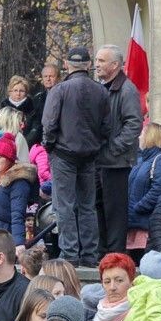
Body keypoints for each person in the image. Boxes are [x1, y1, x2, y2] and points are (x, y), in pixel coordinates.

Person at [42, 46, 113, 266]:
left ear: (67, 65)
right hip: (89, 155)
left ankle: (70, 254)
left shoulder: (60, 90)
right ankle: (89, 254)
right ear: (88, 65)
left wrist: (50, 146)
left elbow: (49, 124)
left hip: (64, 153)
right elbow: (107, 127)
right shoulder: (101, 91)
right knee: (87, 206)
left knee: (64, 206)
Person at [96, 43, 144, 255]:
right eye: (97, 60)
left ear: (115, 65)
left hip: (116, 162)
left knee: (115, 212)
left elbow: (134, 124)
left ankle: (115, 255)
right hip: (100, 160)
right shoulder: (101, 87)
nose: (97, 64)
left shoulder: (127, 89)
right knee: (98, 207)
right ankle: (101, 253)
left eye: (101, 61)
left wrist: (113, 149)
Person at [0, 134, 35, 252]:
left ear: (9, 159)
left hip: (1, 241)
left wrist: (18, 243)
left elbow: (17, 214)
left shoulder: (19, 182)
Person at [128, 123, 161, 255]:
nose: (139, 137)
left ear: (150, 137)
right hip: (135, 224)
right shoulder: (142, 160)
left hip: (147, 225)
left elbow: (159, 190)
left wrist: (138, 207)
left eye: (142, 134)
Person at [1, 74, 42, 147]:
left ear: (26, 92)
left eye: (21, 91)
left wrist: (23, 144)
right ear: (10, 92)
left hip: (27, 145)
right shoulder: (3, 107)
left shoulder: (32, 107)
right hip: (6, 145)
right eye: (15, 90)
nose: (18, 94)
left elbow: (35, 129)